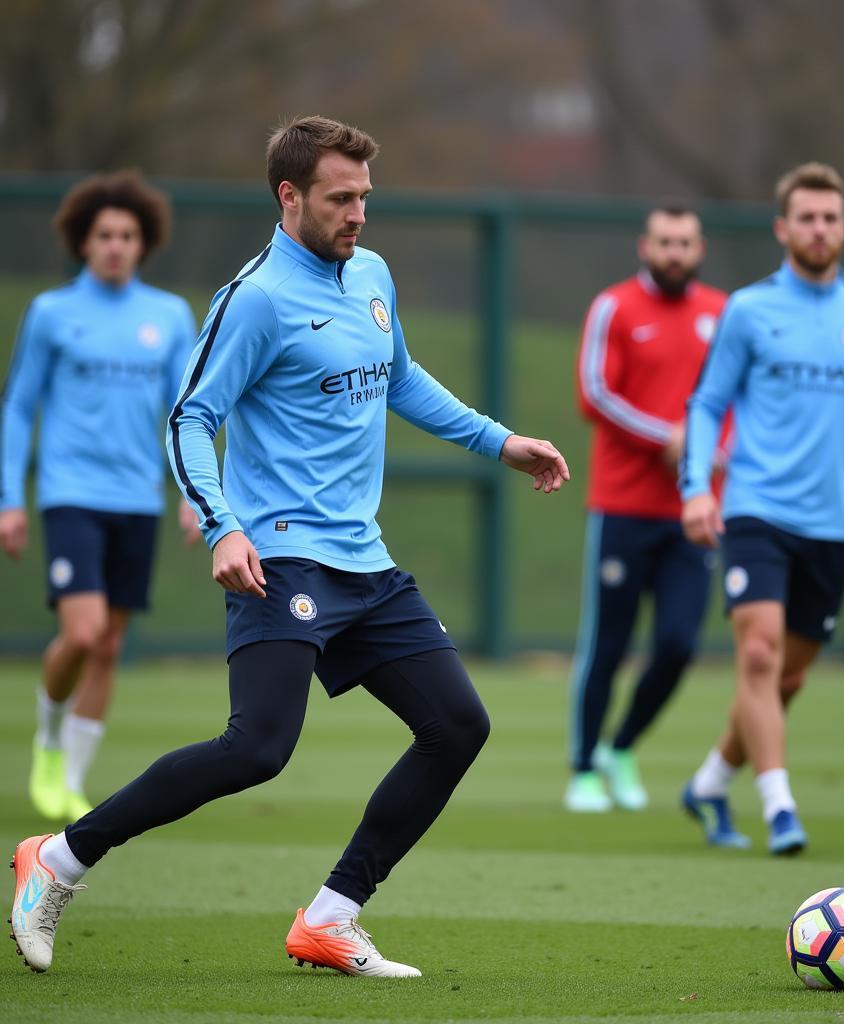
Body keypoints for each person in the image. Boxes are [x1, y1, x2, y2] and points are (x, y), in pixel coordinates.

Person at [10, 114, 570, 979]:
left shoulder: (372, 272)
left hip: (366, 563)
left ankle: (331, 916)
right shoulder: (258, 297)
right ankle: (60, 859)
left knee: (458, 725)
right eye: (340, 199)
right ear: (290, 197)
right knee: (257, 749)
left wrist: (500, 442)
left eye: (364, 199)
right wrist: (224, 524)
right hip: (282, 557)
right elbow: (192, 416)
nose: (357, 215)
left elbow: (401, 377)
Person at [679, 162, 844, 854]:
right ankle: (781, 807)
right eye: (806, 217)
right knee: (756, 653)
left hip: (833, 526)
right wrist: (697, 487)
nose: (819, 229)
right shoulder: (748, 310)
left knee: (789, 675)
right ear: (783, 228)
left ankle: (712, 780)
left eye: (830, 218)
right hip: (756, 510)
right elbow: (707, 403)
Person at [0, 171, 201, 823]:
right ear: (83, 244)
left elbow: (184, 412)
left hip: (137, 499)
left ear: (144, 245)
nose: (116, 246)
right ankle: (49, 742)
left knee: (110, 643)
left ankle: (75, 784)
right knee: (82, 633)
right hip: (71, 495)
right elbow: (19, 407)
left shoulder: (168, 316)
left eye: (128, 236)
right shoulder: (54, 313)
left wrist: (193, 493)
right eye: (104, 235)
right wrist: (10, 499)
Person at [566, 207, 730, 813]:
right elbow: (595, 393)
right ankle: (583, 769)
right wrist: (668, 436)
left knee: (681, 644)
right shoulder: (615, 307)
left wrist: (713, 450)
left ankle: (623, 745)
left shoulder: (722, 311)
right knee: (607, 643)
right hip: (623, 505)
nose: (675, 252)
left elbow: (740, 399)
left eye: (685, 242)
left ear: (700, 247)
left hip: (693, 509)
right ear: (646, 245)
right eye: (665, 242)